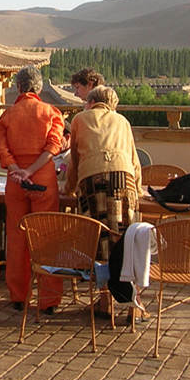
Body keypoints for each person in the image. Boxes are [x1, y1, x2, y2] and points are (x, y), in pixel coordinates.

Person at [65, 85, 142, 313]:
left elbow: (75, 161)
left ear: (90, 101)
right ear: (112, 104)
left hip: (92, 180)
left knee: (99, 240)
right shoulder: (122, 121)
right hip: (123, 180)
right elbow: (134, 159)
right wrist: (138, 189)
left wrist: (69, 189)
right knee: (127, 239)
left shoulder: (79, 119)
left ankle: (105, 301)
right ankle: (132, 305)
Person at [0, 65, 65, 313]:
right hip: (43, 177)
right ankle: (49, 299)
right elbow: (54, 146)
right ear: (39, 88)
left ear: (18, 88)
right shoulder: (51, 112)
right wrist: (32, 169)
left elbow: (2, 150)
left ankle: (18, 296)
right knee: (46, 237)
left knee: (17, 237)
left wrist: (18, 170)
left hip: (15, 182)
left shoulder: (7, 116)